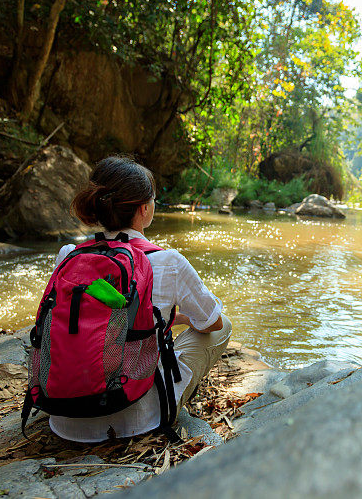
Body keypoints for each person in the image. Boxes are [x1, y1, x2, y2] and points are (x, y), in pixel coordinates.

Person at [48, 155, 232, 442]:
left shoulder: (68, 255)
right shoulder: (168, 261)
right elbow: (212, 323)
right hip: (137, 418)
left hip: (63, 417)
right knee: (224, 326)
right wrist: (175, 318)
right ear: (144, 209)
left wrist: (169, 317)